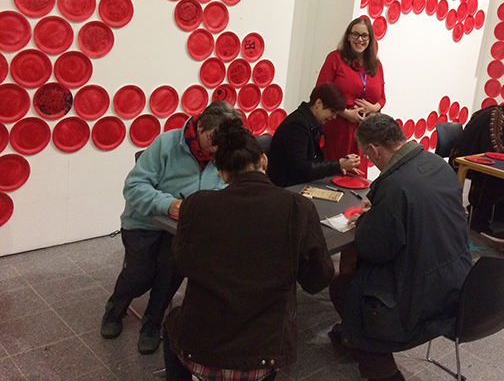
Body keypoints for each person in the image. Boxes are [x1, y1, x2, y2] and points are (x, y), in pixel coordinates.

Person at [163, 120, 334, 381]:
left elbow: (183, 264)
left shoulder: (195, 205)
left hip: (199, 349)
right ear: (263, 161)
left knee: (173, 324)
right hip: (263, 353)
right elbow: (318, 279)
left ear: (221, 173)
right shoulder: (298, 207)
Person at [328, 114, 472, 381]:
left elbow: (374, 249)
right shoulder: (436, 164)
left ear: (373, 150)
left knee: (345, 290)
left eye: (367, 156)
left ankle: (383, 370)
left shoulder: (395, 186)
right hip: (457, 281)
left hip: (420, 293)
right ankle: (353, 338)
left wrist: (367, 219)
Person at [100, 100, 242, 355]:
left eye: (222, 144)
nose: (215, 150)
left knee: (172, 271)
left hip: (182, 228)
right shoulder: (167, 144)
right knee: (140, 274)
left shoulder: (222, 152)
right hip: (144, 221)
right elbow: (133, 187)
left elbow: (226, 187)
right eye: (213, 140)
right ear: (200, 127)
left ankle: (153, 322)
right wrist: (169, 205)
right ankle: (115, 308)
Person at [448, 96, 504, 235]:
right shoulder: (497, 115)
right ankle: (478, 216)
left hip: (480, 157)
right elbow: (494, 147)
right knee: (502, 182)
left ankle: (496, 214)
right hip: (466, 159)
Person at [317, 17, 386, 175]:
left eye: (364, 36)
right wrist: (346, 113)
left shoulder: (376, 65)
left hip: (364, 131)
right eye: (355, 34)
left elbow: (382, 98)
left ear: (370, 39)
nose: (359, 39)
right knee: (336, 174)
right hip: (338, 127)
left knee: (358, 178)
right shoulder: (335, 59)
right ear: (348, 36)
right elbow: (321, 92)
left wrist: (373, 107)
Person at [267, 82, 361, 187]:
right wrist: (338, 165)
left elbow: (313, 162)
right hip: (287, 187)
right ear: (318, 104)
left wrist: (341, 164)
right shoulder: (297, 125)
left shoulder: (312, 122)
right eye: (332, 111)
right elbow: (300, 168)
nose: (334, 117)